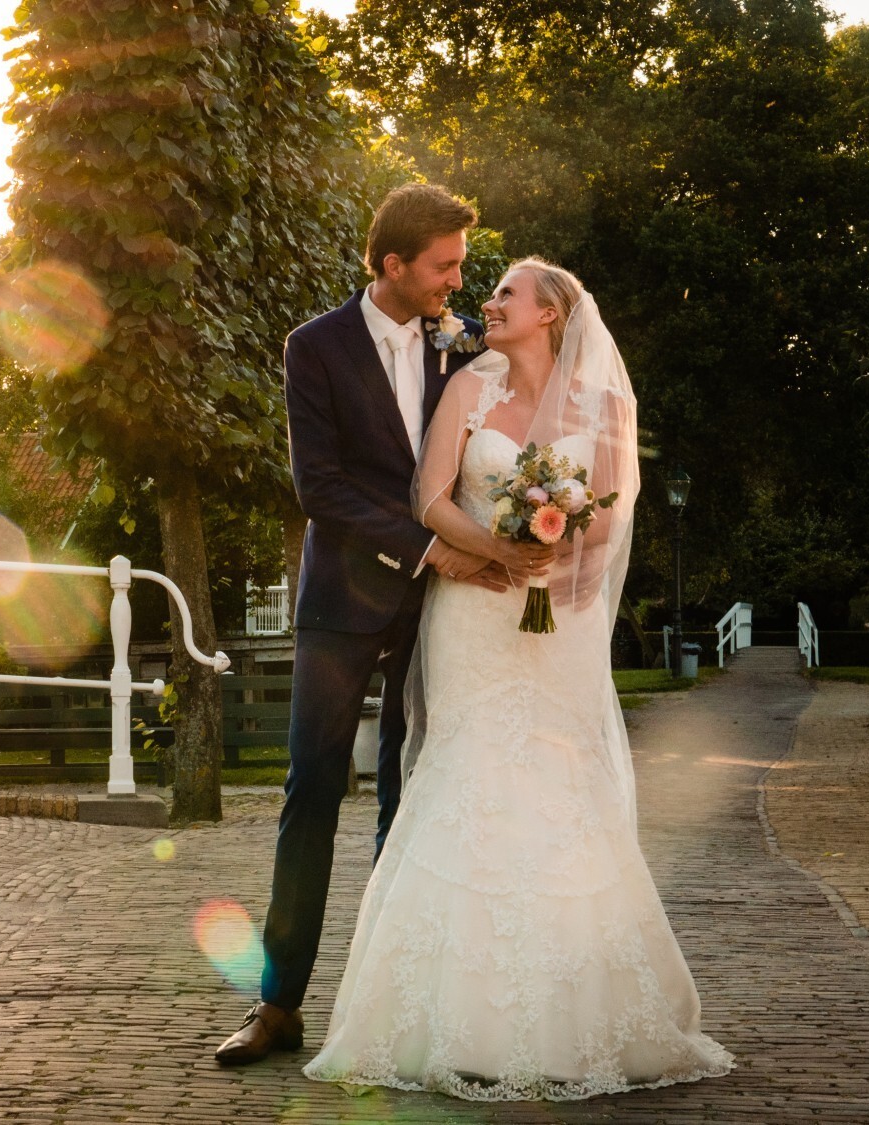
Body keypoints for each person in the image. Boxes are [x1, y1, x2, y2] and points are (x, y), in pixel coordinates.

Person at [300, 258, 735, 1100]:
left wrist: (562, 557)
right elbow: (429, 498)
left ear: (550, 314)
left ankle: (570, 1018)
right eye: (489, 290)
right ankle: (447, 1018)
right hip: (474, 611)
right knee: (468, 780)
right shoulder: (470, 389)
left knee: (560, 794)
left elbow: (609, 516)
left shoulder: (605, 408)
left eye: (504, 293)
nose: (488, 303)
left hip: (560, 621)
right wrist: (500, 549)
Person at [214, 184, 541, 1067]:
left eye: (462, 266)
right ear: (393, 264)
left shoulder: (463, 345)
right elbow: (319, 485)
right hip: (344, 606)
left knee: (414, 798)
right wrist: (431, 552)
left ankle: (394, 1006)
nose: (457, 281)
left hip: (441, 615)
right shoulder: (313, 347)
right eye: (444, 265)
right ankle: (278, 1006)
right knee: (310, 794)